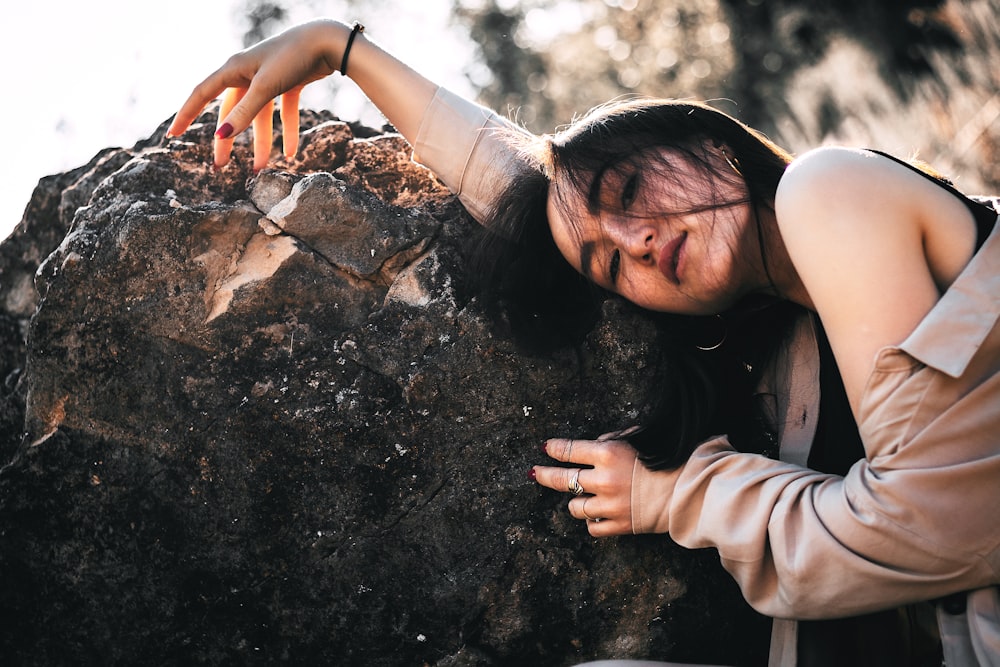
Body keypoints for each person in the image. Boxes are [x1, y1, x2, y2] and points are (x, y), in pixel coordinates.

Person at [166, 18, 1000, 666]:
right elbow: (536, 193)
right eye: (606, 262)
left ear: (711, 141)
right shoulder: (786, 348)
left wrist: (677, 497)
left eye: (633, 188)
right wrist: (342, 49)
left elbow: (942, 527)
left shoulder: (832, 190)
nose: (634, 241)